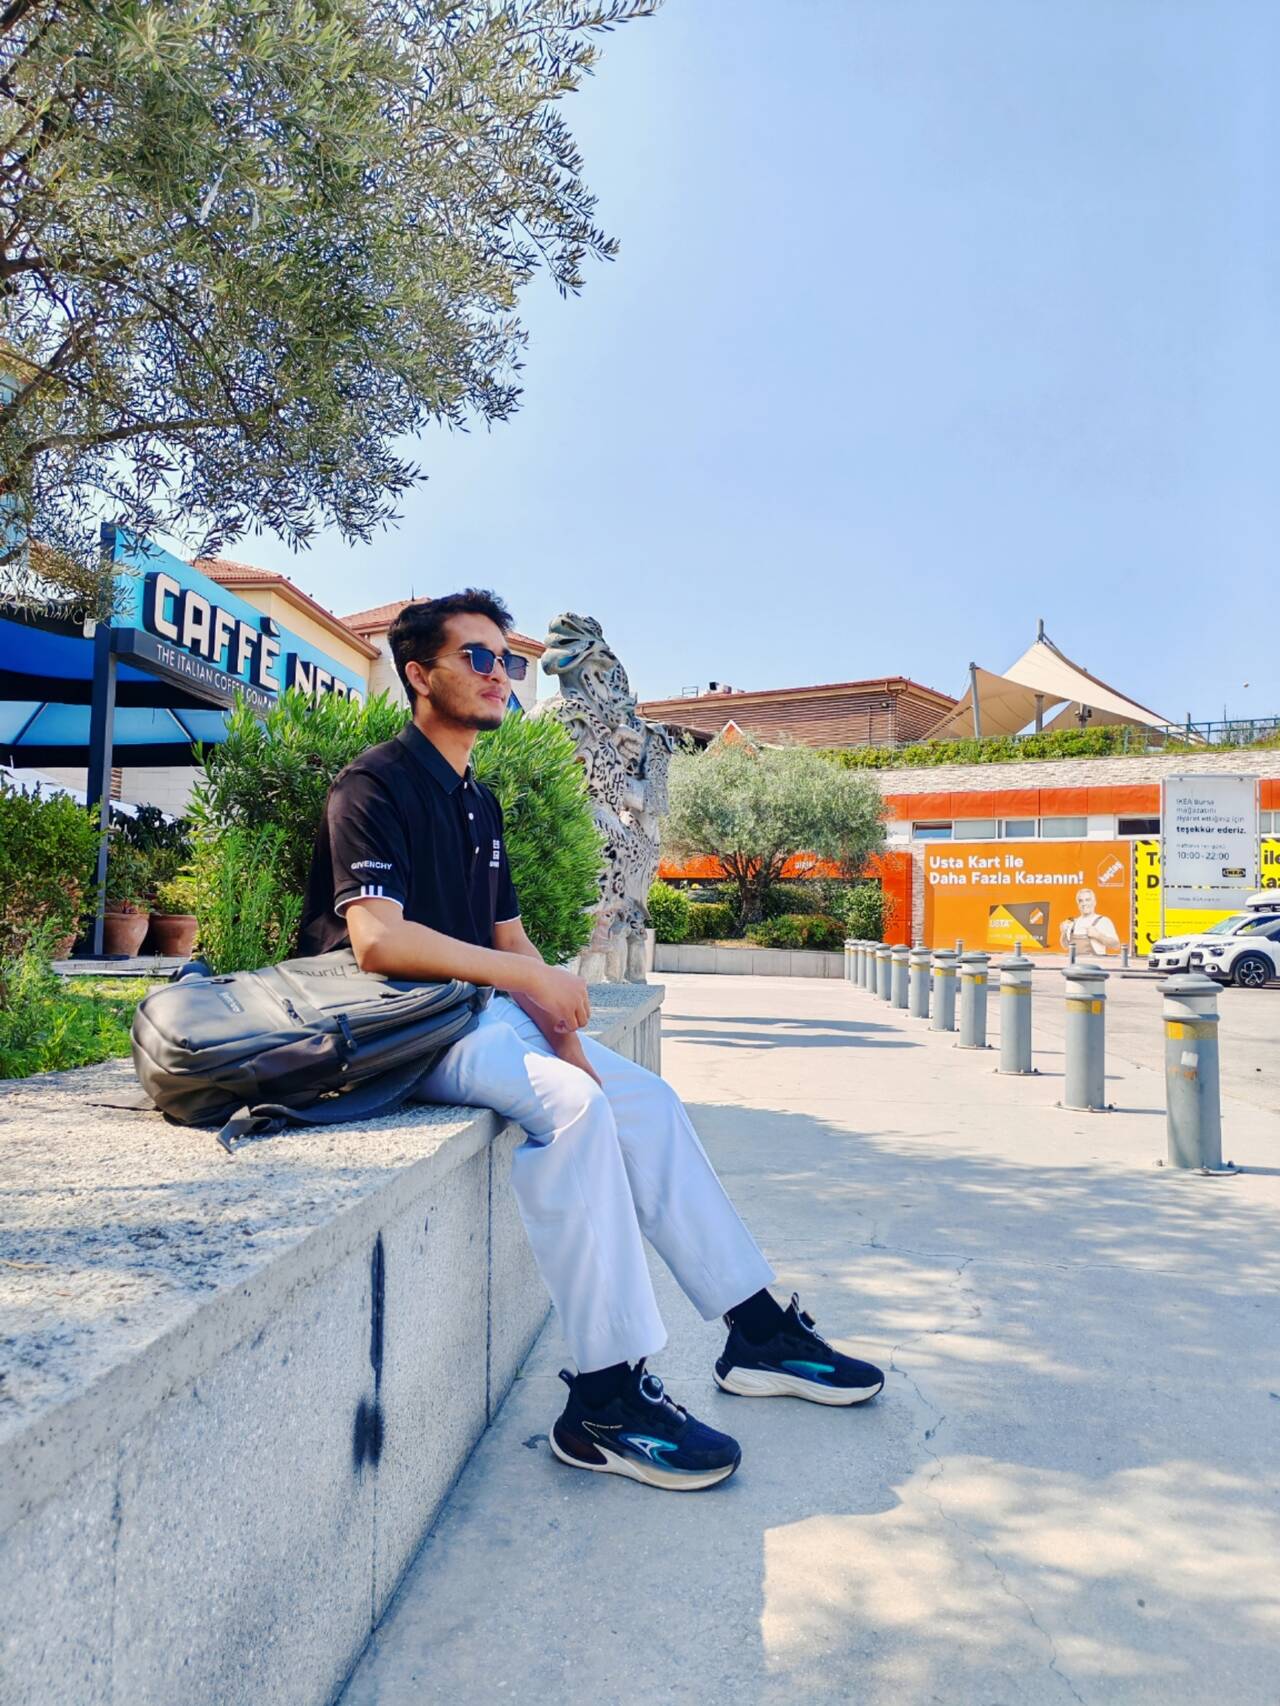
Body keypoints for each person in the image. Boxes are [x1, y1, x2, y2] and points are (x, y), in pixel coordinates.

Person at [298, 590, 884, 1493]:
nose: (502, 675)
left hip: (477, 1014)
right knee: (574, 1112)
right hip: (405, 1026)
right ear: (418, 675)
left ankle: (756, 1331)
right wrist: (528, 985)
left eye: (508, 660)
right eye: (477, 658)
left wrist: (561, 1024)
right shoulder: (372, 785)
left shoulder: (477, 798)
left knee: (641, 1099)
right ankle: (604, 1402)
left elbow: (509, 938)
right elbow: (377, 941)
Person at [1058, 887, 1122, 956]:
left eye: (1087, 900)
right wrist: (1063, 933)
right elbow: (1065, 946)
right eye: (1081, 901)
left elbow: (1116, 946)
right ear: (1078, 904)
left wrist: (1098, 935)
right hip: (1075, 962)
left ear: (1094, 902)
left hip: (1095, 962)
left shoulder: (1103, 921)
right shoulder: (1073, 923)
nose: (1084, 903)